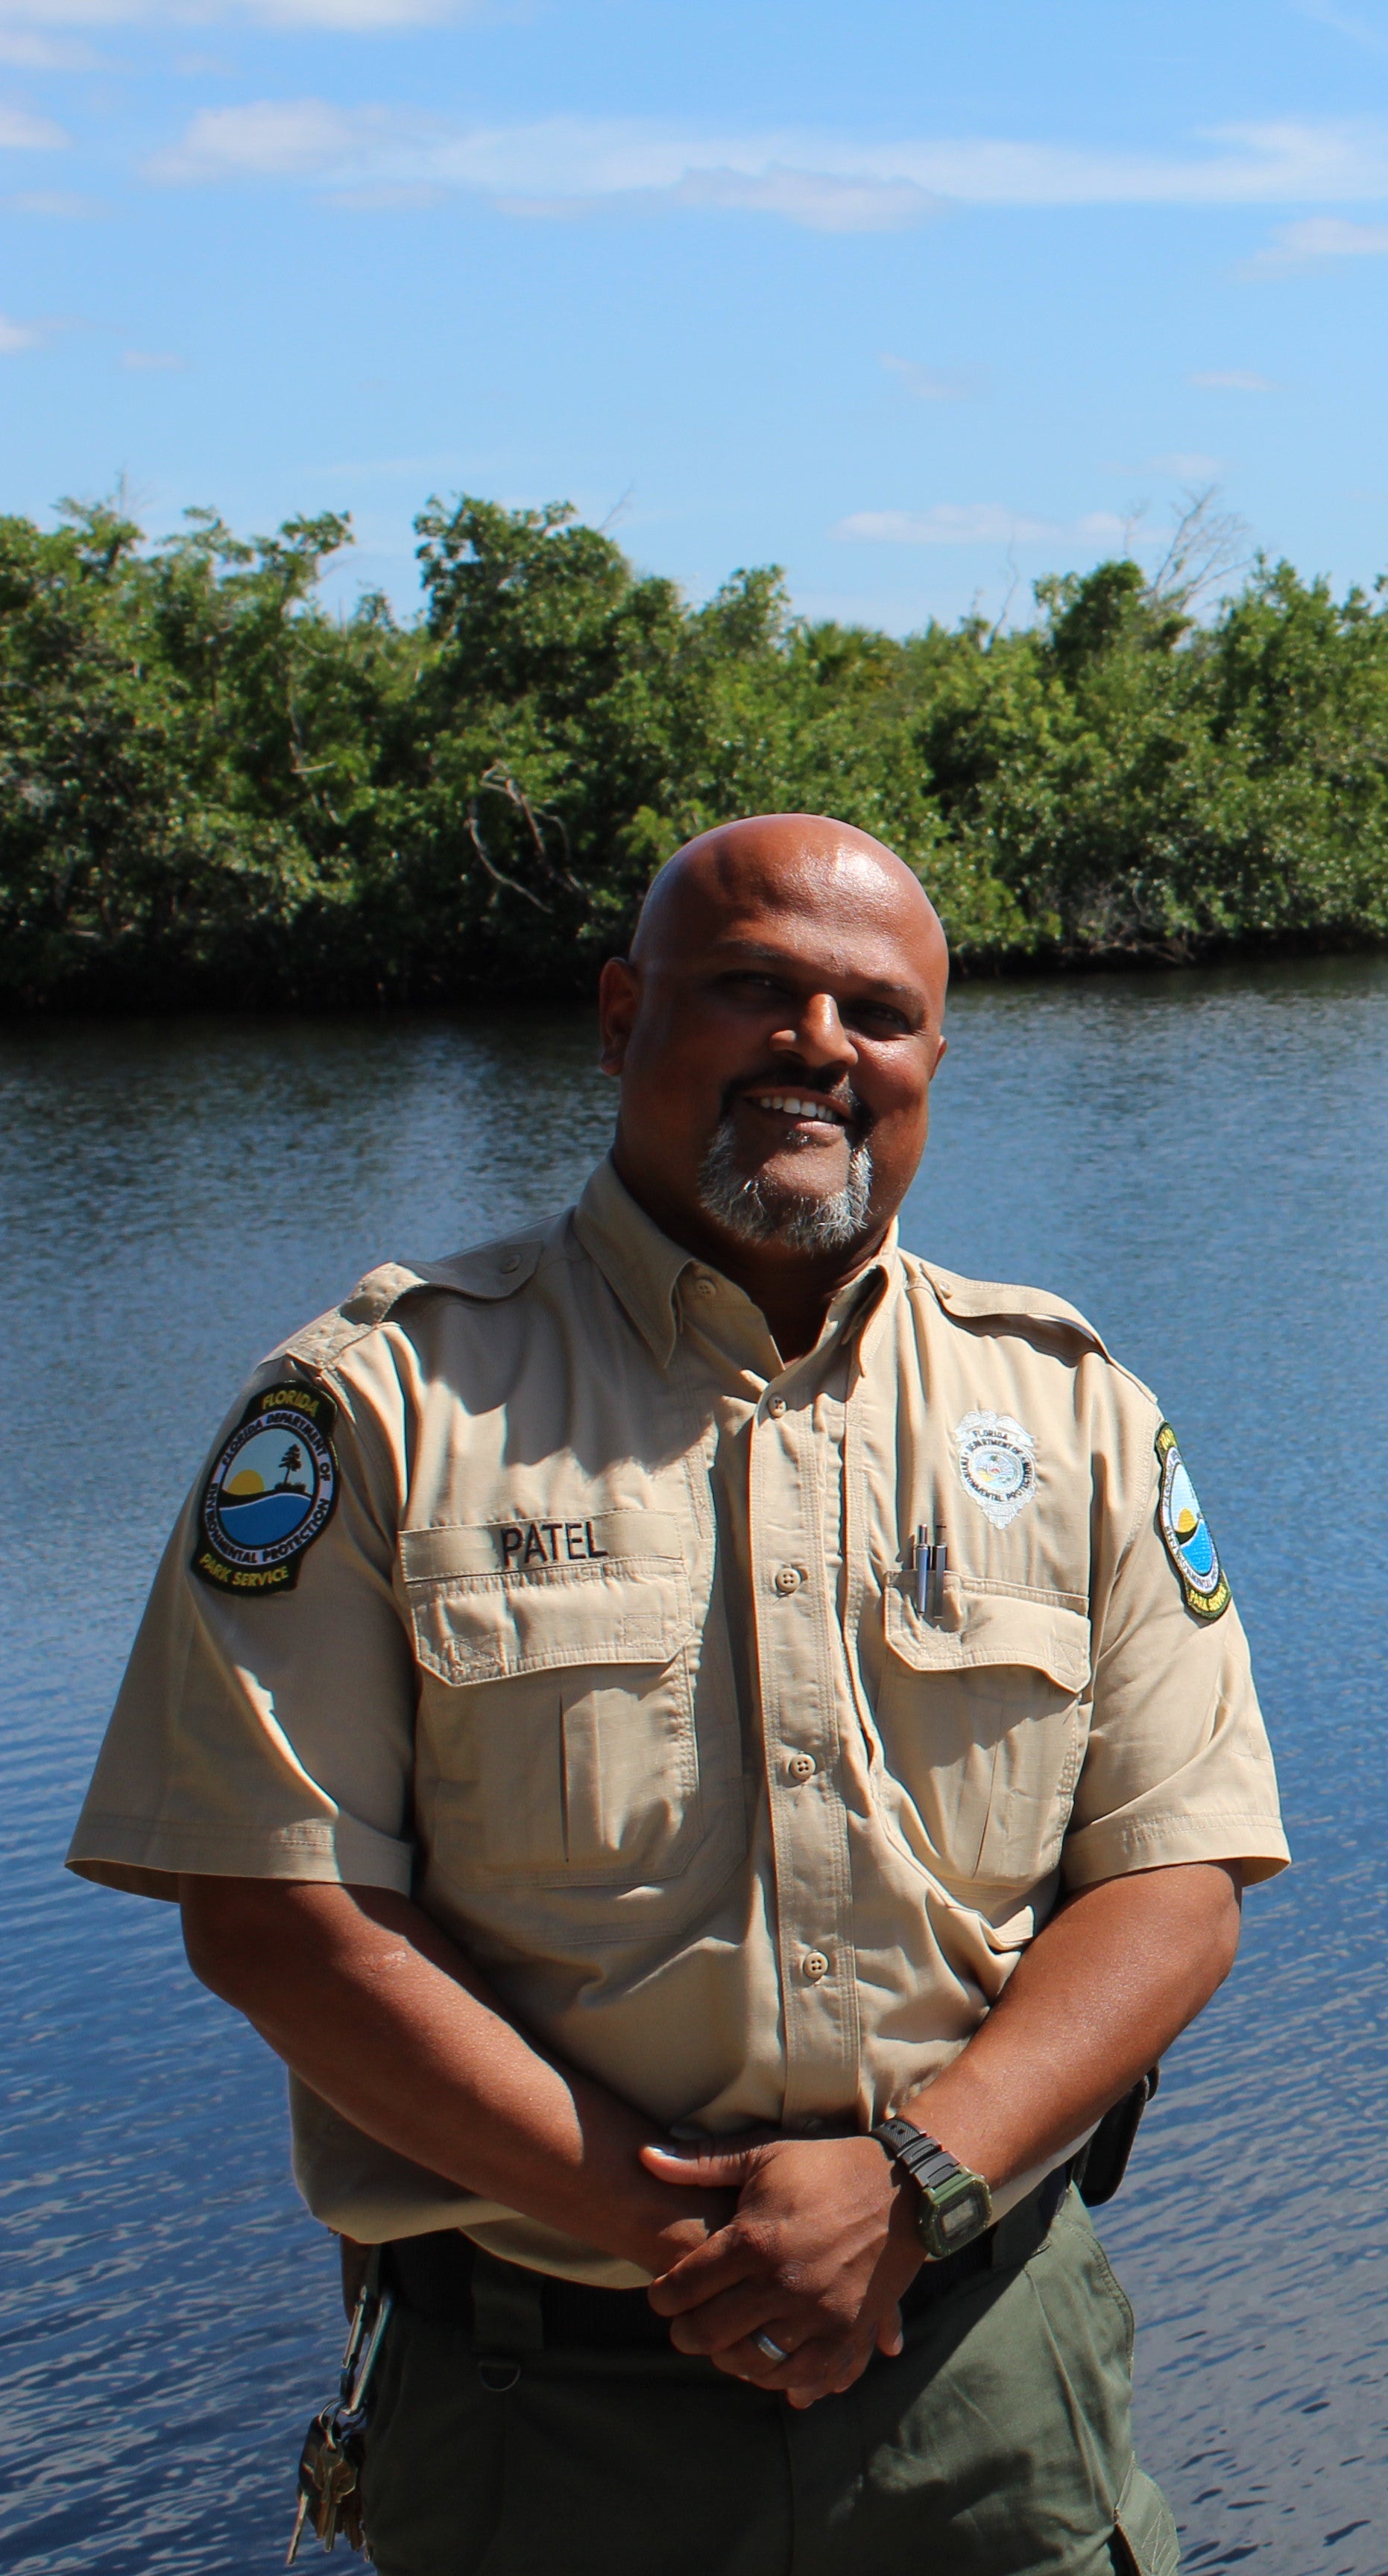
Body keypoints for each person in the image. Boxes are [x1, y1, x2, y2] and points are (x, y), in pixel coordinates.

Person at [66, 813, 1290, 2575]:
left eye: (876, 1011)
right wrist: (703, 2242)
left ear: (935, 1058)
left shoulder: (1076, 1408)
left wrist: (911, 2190)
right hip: (536, 2413)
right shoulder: (380, 1408)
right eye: (753, 990)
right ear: (622, 1014)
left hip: (987, 2378)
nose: (818, 1046)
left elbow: (1176, 1885)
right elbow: (277, 1916)